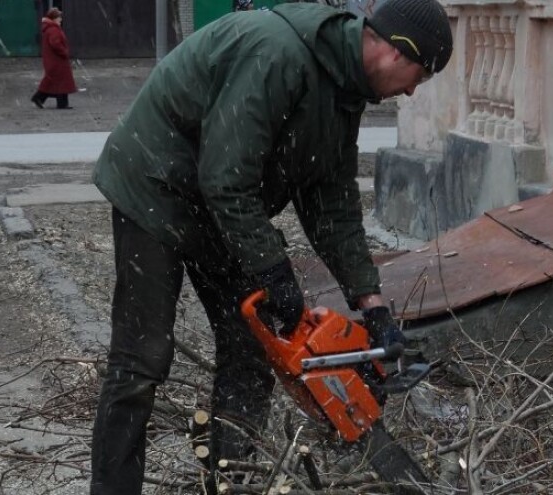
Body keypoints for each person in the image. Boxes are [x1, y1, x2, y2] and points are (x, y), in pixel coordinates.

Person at [88, 0, 452, 493]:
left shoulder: (345, 90)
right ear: (396, 51)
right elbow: (226, 177)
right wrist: (273, 270)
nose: (411, 90)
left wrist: (373, 306)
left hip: (218, 205)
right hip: (155, 186)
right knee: (142, 360)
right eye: (419, 76)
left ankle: (231, 482)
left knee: (249, 352)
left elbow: (332, 204)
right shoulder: (276, 55)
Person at [30, 7, 77, 110]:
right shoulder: (53, 30)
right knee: (59, 81)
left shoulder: (50, 29)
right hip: (57, 60)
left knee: (54, 81)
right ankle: (58, 102)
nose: (60, 19)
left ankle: (42, 99)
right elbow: (55, 44)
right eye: (59, 17)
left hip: (54, 60)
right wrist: (64, 52)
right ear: (54, 18)